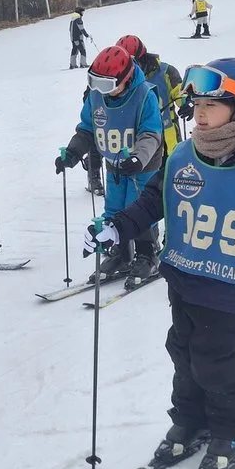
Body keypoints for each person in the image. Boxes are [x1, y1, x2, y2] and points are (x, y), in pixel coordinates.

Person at [83, 58, 235, 469]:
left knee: (214, 360)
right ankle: (191, 417)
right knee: (182, 351)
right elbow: (151, 202)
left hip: (233, 285)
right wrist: (116, 229)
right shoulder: (182, 155)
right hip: (185, 277)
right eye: (196, 102)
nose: (199, 112)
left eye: (212, 104)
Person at [55, 45, 164, 289]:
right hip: (113, 164)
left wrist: (138, 158)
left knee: (137, 209)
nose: (100, 91)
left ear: (125, 79)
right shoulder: (96, 96)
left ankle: (147, 255)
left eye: (106, 85)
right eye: (95, 82)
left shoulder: (145, 95)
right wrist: (73, 152)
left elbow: (151, 133)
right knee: (113, 209)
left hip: (142, 167)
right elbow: (87, 127)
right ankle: (120, 254)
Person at [115, 35, 184, 158]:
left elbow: (180, 92)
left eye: (133, 63)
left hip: (168, 139)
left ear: (143, 58)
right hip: (138, 142)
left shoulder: (166, 72)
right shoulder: (120, 79)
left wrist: (187, 101)